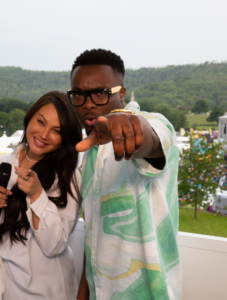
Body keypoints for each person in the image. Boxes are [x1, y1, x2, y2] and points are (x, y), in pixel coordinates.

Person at [68, 49, 182, 300]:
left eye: (100, 93)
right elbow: (95, 230)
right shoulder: (90, 153)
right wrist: (82, 293)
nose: (88, 103)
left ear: (121, 94)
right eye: (78, 94)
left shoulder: (156, 123)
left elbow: (149, 140)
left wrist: (131, 125)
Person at [0, 91, 82, 300]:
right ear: (29, 117)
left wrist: (37, 195)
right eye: (41, 122)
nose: (44, 135)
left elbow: (54, 245)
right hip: (0, 287)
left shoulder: (67, 176)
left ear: (65, 138)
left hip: (44, 292)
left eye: (56, 130)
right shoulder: (2, 164)